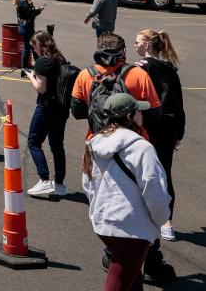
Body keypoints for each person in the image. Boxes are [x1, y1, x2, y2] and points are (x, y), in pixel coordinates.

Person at [70, 33, 174, 282]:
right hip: (132, 145)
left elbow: (75, 111)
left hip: (97, 144)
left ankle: (113, 251)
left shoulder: (85, 75)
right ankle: (149, 259)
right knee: (138, 200)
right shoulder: (138, 75)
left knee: (107, 196)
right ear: (122, 51)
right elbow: (156, 112)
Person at [83, 93, 171, 291]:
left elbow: (88, 185)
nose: (141, 114)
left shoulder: (93, 144)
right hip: (133, 229)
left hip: (104, 224)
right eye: (137, 110)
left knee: (131, 279)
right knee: (119, 283)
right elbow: (154, 188)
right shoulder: (142, 148)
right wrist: (161, 219)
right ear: (130, 116)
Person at [134, 30, 184, 241]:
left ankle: (145, 217)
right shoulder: (170, 68)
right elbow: (179, 103)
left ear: (146, 45)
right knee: (164, 172)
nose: (134, 45)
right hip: (170, 126)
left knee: (143, 172)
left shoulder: (142, 68)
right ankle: (167, 222)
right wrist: (180, 131)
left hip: (151, 125)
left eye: (137, 42)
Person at [24, 31, 71, 197]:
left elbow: (41, 88)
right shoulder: (60, 58)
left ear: (38, 45)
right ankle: (59, 184)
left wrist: (31, 76)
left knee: (33, 142)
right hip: (62, 107)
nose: (33, 50)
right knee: (57, 145)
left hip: (46, 107)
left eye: (33, 46)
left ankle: (44, 180)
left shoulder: (43, 61)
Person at [14, 0, 45, 75]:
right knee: (28, 47)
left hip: (24, 26)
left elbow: (29, 11)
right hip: (26, 27)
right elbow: (31, 13)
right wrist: (39, 10)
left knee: (32, 46)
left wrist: (36, 9)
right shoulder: (23, 0)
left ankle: (37, 65)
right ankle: (24, 69)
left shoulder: (22, 0)